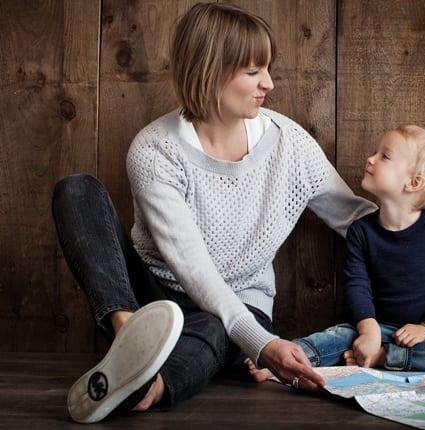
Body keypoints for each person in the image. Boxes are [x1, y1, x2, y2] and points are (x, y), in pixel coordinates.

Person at [51, 2, 376, 423]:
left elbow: (356, 218)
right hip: (152, 298)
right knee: (77, 191)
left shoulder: (288, 144)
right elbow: (193, 268)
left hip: (239, 305)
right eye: (253, 71)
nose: (269, 84)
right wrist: (264, 346)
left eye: (267, 69)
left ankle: (147, 387)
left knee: (213, 327)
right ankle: (130, 336)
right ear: (210, 70)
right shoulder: (154, 150)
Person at [247, 125, 425, 382]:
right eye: (376, 152)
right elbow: (357, 285)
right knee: (335, 337)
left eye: (384, 156)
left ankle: (382, 359)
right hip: (375, 326)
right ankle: (279, 363)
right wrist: (368, 331)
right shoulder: (362, 231)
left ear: (414, 182)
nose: (371, 159)